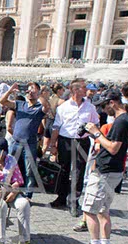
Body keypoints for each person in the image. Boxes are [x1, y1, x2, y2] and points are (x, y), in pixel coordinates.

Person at [76, 90, 128, 244]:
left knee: (89, 209)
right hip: (113, 170)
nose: (102, 110)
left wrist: (96, 133)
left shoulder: (121, 121)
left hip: (106, 171)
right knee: (103, 210)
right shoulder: (126, 120)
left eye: (103, 106)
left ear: (112, 103)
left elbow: (113, 148)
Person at [0, 138, 40, 244]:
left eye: (1, 153)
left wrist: (15, 189)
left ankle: (24, 241)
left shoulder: (11, 159)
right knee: (1, 206)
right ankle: (0, 242)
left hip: (9, 190)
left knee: (24, 204)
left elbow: (18, 179)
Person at [48, 78, 100, 210]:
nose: (86, 89)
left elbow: (96, 125)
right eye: (83, 87)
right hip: (65, 140)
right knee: (63, 169)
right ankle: (61, 197)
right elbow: (56, 127)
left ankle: (74, 200)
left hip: (82, 141)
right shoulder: (63, 107)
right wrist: (53, 145)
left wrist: (97, 141)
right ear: (75, 90)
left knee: (79, 171)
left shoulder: (90, 107)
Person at [0, 83, 49, 199]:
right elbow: (2, 101)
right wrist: (10, 90)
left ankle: (28, 195)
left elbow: (47, 107)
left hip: (29, 143)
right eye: (28, 90)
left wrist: (39, 95)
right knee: (9, 167)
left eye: (33, 90)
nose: (30, 92)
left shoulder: (39, 107)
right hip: (15, 141)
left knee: (29, 170)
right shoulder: (20, 104)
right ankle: (7, 190)